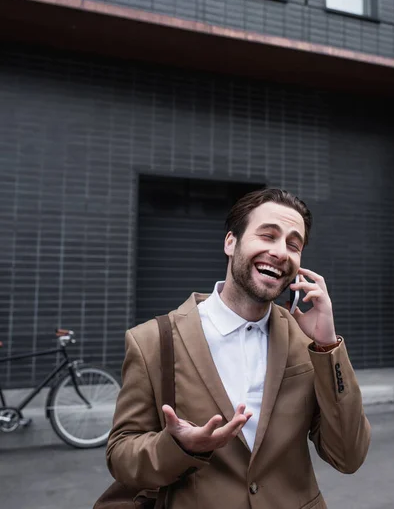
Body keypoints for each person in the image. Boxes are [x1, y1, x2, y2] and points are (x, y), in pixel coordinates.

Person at [106, 188, 370, 509]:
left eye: (293, 244)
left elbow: (349, 456)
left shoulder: (309, 344)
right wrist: (179, 447)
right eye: (268, 235)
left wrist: (328, 345)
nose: (280, 252)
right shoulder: (151, 341)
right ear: (231, 243)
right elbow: (121, 456)